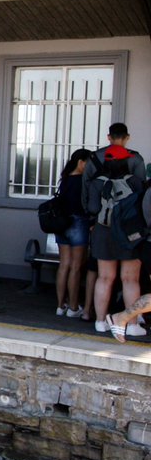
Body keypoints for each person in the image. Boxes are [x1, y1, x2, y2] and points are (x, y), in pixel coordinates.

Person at [83, 122, 147, 339]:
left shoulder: (97, 182)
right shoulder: (135, 181)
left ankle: (100, 322)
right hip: (130, 233)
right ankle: (132, 324)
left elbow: (91, 207)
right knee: (130, 279)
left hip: (103, 230)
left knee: (104, 277)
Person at [50, 149, 92, 319]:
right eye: (88, 163)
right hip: (78, 223)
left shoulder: (65, 179)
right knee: (76, 266)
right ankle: (73, 307)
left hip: (62, 224)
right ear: (81, 162)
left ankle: (60, 306)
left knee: (64, 265)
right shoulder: (83, 181)